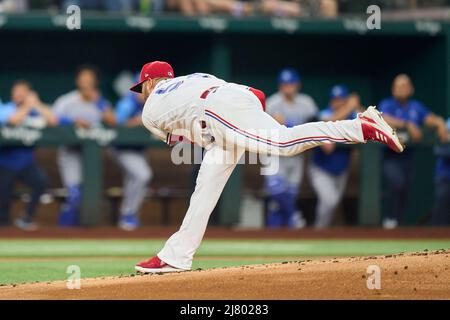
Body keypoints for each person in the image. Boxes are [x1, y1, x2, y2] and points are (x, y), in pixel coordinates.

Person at [132, 61, 403, 273]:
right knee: (205, 188)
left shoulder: (149, 110)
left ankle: (360, 126)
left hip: (216, 113)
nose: (141, 92)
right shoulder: (193, 78)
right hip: (232, 101)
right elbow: (247, 96)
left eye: (142, 86)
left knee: (284, 143)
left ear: (152, 82)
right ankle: (176, 256)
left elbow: (185, 139)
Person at [379, 74, 448, 229]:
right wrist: (407, 124)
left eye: (404, 85)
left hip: (407, 156)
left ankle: (396, 222)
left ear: (411, 89)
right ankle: (389, 220)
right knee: (396, 183)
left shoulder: (415, 107)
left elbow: (431, 119)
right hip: (390, 155)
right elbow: (382, 118)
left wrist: (441, 124)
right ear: (392, 89)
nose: (401, 89)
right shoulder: (387, 104)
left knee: (404, 189)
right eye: (398, 86)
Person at [53, 65, 115, 226]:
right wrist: (73, 121)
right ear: (78, 81)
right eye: (83, 79)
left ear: (95, 82)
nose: (86, 82)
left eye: (89, 79)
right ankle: (64, 231)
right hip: (70, 152)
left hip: (92, 155)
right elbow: (52, 120)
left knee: (90, 194)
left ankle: (83, 233)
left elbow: (112, 121)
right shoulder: (67, 100)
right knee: (74, 194)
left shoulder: (101, 102)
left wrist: (99, 102)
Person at [0, 80, 57, 230]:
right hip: (5, 162)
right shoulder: (6, 108)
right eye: (16, 92)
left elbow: (53, 120)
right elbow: (11, 121)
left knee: (41, 182)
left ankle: (27, 217)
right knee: (3, 195)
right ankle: (4, 225)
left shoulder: (34, 110)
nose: (18, 95)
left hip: (26, 163)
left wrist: (36, 104)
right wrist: (26, 106)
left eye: (22, 92)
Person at [264, 68, 318, 229]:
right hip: (275, 153)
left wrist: (286, 124)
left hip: (296, 154)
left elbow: (315, 122)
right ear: (280, 85)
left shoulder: (306, 102)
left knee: (288, 195)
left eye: (291, 83)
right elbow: (262, 127)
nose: (288, 87)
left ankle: (280, 235)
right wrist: (274, 123)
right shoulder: (272, 103)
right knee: (276, 190)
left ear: (297, 85)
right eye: (285, 84)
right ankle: (294, 215)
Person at [309, 85, 362, 229]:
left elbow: (366, 120)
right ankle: (319, 231)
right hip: (321, 169)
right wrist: (350, 107)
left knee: (332, 202)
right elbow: (329, 126)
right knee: (330, 200)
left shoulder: (352, 116)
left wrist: (357, 108)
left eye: (342, 100)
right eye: (335, 100)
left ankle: (325, 234)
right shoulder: (324, 114)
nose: (338, 103)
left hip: (341, 170)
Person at [113, 80, 153, 231]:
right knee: (142, 175)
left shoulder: (153, 102)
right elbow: (117, 124)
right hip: (122, 148)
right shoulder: (127, 103)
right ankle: (128, 214)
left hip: (140, 150)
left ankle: (128, 215)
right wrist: (137, 121)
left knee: (134, 179)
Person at [431, 118, 450, 226]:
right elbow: (439, 148)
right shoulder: (447, 124)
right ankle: (437, 234)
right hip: (445, 176)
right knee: (441, 206)